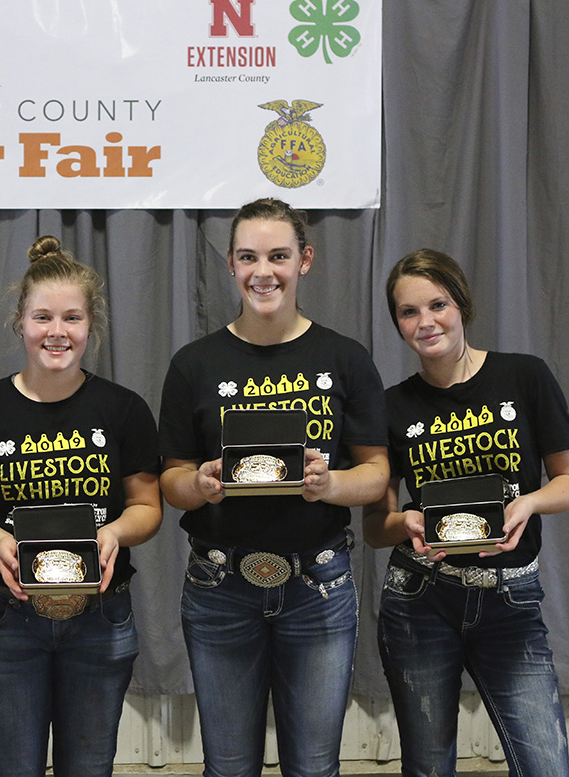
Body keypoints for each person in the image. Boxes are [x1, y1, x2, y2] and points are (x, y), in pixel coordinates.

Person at [158, 198, 389, 777]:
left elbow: (376, 474)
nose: (263, 272)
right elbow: (171, 482)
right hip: (219, 586)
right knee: (229, 767)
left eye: (278, 256)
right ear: (231, 264)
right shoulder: (194, 364)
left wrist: (329, 483)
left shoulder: (345, 358)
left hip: (318, 586)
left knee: (313, 767)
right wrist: (199, 483)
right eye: (248, 257)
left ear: (304, 260)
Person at [0, 236, 162, 777]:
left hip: (100, 614)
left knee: (89, 766)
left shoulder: (123, 409)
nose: (57, 332)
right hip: (9, 615)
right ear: (20, 322)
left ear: (90, 325)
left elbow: (147, 506)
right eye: (42, 317)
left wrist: (114, 534)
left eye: (71, 318)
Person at [362, 249, 569, 777]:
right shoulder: (391, 407)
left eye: (437, 304)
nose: (426, 321)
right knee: (428, 767)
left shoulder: (524, 376)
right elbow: (374, 527)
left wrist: (529, 502)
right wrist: (407, 523)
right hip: (420, 599)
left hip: (511, 599)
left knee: (545, 766)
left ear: (461, 304)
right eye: (409, 312)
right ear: (398, 323)